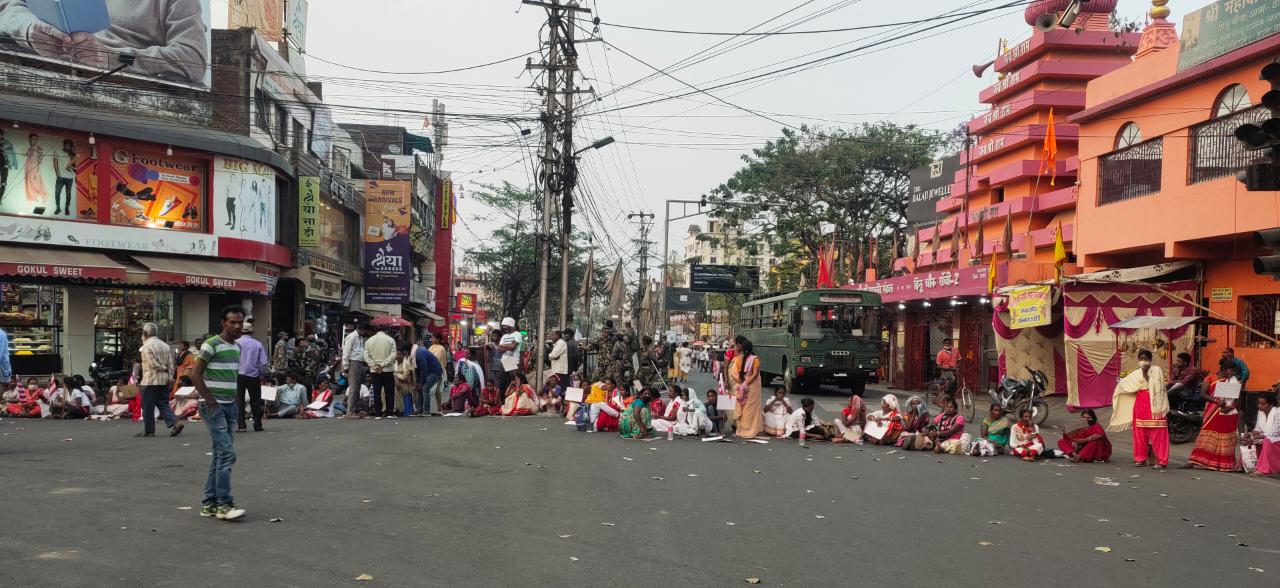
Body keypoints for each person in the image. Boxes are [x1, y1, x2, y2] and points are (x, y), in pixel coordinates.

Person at [0, 0, 212, 85]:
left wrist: (111, 58)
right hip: (32, 82)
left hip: (120, 103)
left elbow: (193, 58)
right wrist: (28, 30)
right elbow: (8, 6)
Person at [191, 305, 246, 521]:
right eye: (232, 322)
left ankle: (209, 504)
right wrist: (211, 401)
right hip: (214, 407)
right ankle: (225, 504)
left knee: (218, 456)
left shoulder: (237, 347)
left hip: (230, 406)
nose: (237, 326)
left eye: (240, 322)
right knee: (227, 454)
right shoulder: (211, 344)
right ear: (223, 323)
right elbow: (195, 374)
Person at [1110, 349, 1170, 469]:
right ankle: (1140, 459)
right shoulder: (1135, 373)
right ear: (1138, 360)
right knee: (1139, 435)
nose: (1144, 361)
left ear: (1150, 360)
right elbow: (1124, 385)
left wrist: (1145, 373)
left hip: (1156, 407)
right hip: (1140, 406)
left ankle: (1161, 460)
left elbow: (1157, 386)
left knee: (1159, 435)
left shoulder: (1156, 370)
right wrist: (1121, 382)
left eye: (1146, 359)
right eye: (1141, 359)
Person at [1183, 364, 1242, 472]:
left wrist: (1231, 407)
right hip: (1212, 411)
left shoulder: (1235, 382)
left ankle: (1224, 464)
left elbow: (1238, 400)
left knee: (1226, 437)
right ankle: (1195, 460)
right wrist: (1216, 401)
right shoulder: (1210, 378)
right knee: (1207, 434)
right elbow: (1203, 394)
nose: (1232, 373)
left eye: (1234, 371)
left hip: (1228, 412)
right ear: (1223, 369)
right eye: (1230, 370)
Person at [137, 322, 182, 437]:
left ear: (145, 333)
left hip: (150, 381)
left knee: (147, 406)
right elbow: (171, 364)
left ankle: (149, 431)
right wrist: (170, 377)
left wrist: (163, 368)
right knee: (163, 403)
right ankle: (175, 422)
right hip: (163, 381)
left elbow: (153, 364)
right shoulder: (165, 346)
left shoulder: (146, 346)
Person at [233, 320, 268, 433]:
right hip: (253, 376)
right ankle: (257, 425)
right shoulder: (257, 344)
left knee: (240, 400)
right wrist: (262, 374)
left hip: (239, 375)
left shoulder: (235, 343)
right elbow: (263, 363)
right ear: (251, 332)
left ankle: (241, 425)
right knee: (255, 400)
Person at [728, 338, 763, 439]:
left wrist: (742, 383)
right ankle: (749, 431)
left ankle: (741, 430)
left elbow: (734, 374)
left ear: (742, 348)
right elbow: (755, 374)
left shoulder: (738, 359)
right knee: (751, 408)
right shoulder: (755, 359)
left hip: (742, 385)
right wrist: (746, 383)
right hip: (753, 385)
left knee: (742, 408)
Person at [364, 325, 397, 419]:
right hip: (387, 369)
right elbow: (393, 355)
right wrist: (382, 364)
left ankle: (378, 413)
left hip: (374, 371)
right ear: (385, 330)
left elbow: (366, 356)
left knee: (376, 392)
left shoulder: (369, 341)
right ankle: (389, 412)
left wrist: (375, 366)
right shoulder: (390, 340)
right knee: (389, 392)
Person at [1242, 391, 1279, 476]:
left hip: (1276, 441)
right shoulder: (1260, 412)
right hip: (1268, 438)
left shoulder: (1278, 413)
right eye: (1258, 403)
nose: (1259, 406)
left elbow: (1273, 433)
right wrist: (1250, 434)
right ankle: (1245, 465)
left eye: (1263, 404)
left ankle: (1263, 469)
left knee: (1266, 440)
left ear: (1271, 404)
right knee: (1247, 439)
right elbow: (1258, 428)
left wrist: (1254, 437)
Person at [341, 323, 368, 419]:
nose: (365, 333)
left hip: (360, 362)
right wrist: (345, 366)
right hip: (353, 362)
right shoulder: (352, 337)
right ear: (361, 329)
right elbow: (346, 351)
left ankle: (355, 409)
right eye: (364, 331)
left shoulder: (360, 338)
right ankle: (350, 411)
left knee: (357, 387)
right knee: (353, 387)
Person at [413, 337, 443, 416]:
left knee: (425, 387)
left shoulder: (420, 353)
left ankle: (427, 410)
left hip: (435, 371)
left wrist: (421, 382)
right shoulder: (414, 354)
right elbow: (417, 369)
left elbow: (424, 369)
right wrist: (417, 382)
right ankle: (420, 409)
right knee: (419, 387)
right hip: (429, 371)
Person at [497, 318, 524, 393]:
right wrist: (509, 346)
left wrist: (504, 346)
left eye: (505, 326)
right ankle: (503, 401)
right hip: (505, 360)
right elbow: (499, 349)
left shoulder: (518, 334)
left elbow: (513, 347)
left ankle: (513, 401)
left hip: (514, 360)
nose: (504, 328)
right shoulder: (504, 336)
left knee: (513, 383)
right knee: (502, 382)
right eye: (503, 326)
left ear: (511, 325)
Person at [429, 333, 451, 414]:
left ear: (438, 339)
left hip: (438, 370)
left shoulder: (441, 348)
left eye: (433, 338)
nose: (431, 339)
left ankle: (439, 408)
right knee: (431, 390)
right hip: (430, 370)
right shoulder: (431, 347)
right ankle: (429, 408)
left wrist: (441, 371)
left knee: (436, 390)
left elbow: (441, 361)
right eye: (431, 338)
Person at [394, 344, 416, 416]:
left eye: (399, 354)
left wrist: (396, 376)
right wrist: (396, 379)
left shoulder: (406, 363)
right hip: (395, 382)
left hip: (405, 384)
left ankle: (401, 409)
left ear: (403, 355)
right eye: (396, 354)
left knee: (398, 389)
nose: (398, 356)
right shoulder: (394, 363)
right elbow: (392, 374)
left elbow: (405, 377)